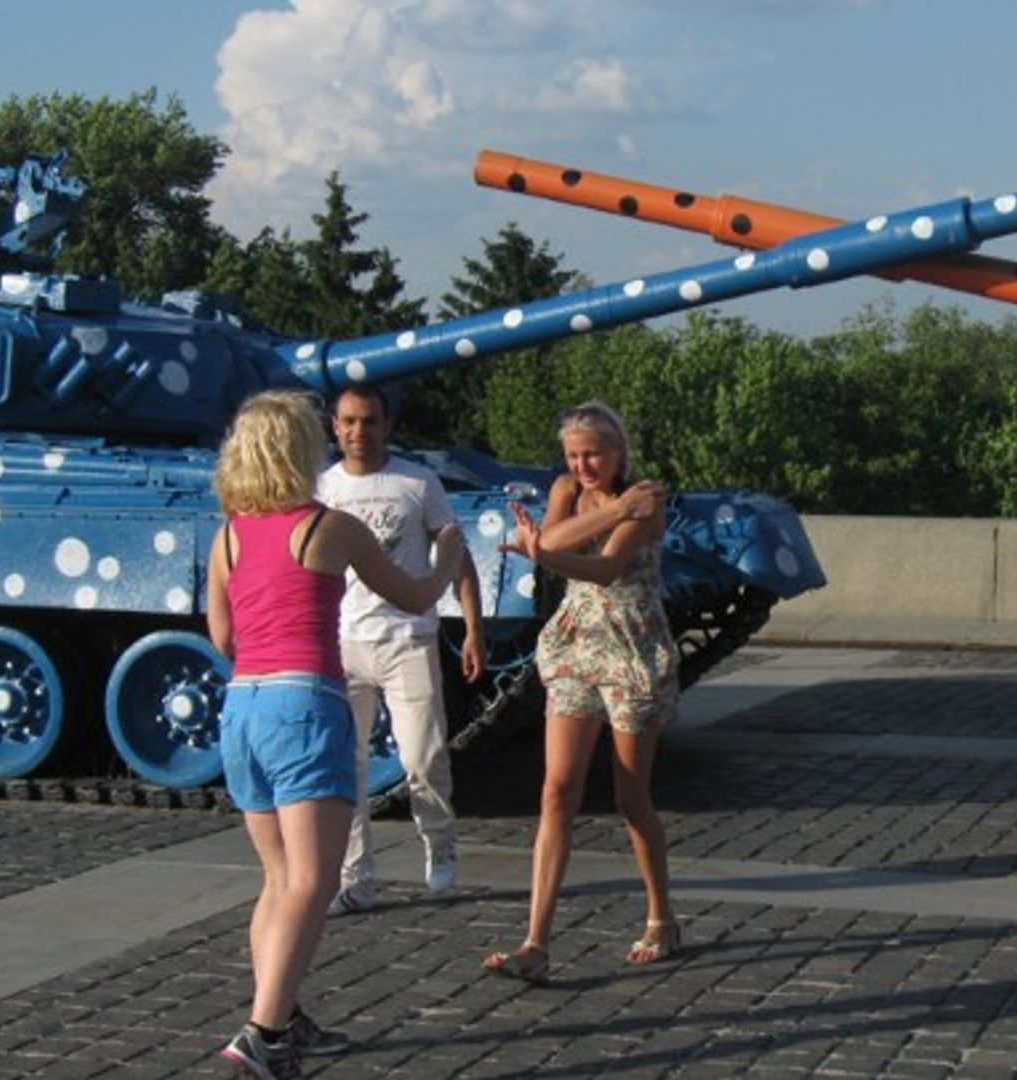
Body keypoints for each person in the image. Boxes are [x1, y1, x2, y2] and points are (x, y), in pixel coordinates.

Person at [207, 390, 465, 1080]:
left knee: (278, 879)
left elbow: (223, 636)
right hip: (303, 701)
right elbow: (414, 596)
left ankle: (283, 1015)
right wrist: (448, 559)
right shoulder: (330, 527)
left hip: (243, 707)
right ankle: (263, 1033)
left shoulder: (229, 534)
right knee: (315, 880)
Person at [482, 401, 678, 985]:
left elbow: (606, 567)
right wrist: (575, 529)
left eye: (592, 453)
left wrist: (545, 547)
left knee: (630, 797)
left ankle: (662, 918)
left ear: (618, 451)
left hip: (631, 649)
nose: (582, 465)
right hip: (574, 646)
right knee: (556, 790)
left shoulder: (648, 497)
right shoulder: (571, 490)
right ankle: (536, 943)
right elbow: (552, 537)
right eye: (572, 455)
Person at [317, 384, 483, 916]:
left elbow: (456, 555)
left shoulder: (417, 482)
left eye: (369, 421)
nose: (358, 431)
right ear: (334, 426)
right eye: (348, 421)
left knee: (422, 755)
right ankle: (354, 878)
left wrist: (473, 627)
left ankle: (439, 840)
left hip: (407, 636)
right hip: (343, 641)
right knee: (347, 765)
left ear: (387, 425)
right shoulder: (323, 487)